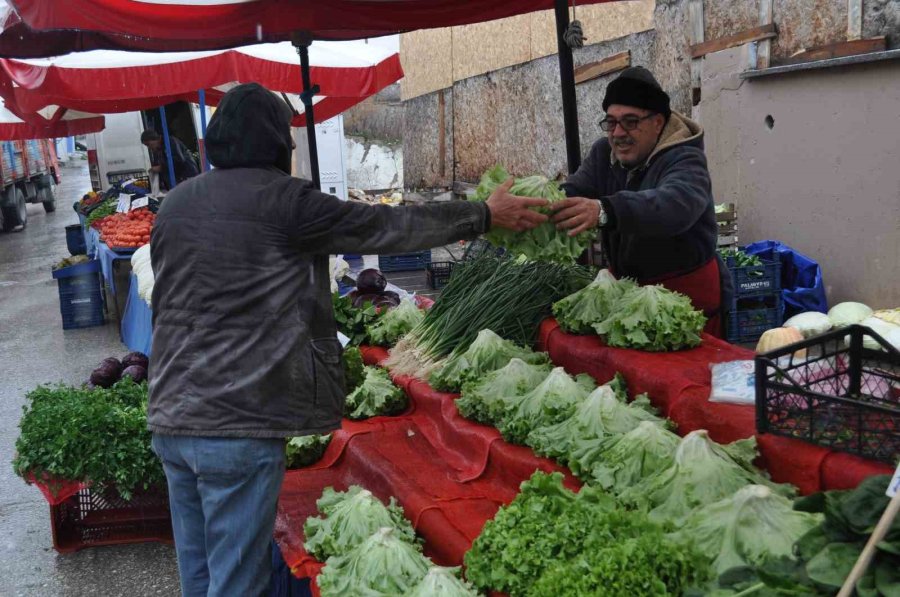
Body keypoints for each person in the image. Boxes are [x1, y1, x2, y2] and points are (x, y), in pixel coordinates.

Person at [147, 83, 548, 597]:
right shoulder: (284, 201)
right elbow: (385, 226)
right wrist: (483, 215)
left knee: (199, 573)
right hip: (236, 424)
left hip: (172, 415)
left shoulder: (177, 204)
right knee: (235, 583)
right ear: (274, 143)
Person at [551, 66, 731, 337]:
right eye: (611, 122)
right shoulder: (604, 153)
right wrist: (540, 204)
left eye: (631, 121)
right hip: (627, 295)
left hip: (685, 296)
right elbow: (575, 189)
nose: (618, 133)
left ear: (657, 122)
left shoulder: (685, 158)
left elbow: (674, 205)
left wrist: (605, 210)